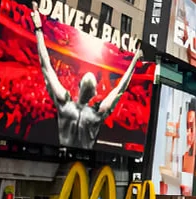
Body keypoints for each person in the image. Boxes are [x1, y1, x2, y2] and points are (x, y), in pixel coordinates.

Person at [33, 11, 142, 149]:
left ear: (79, 86)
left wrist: (38, 29)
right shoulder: (96, 114)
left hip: (63, 150)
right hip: (83, 154)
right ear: (94, 93)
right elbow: (121, 88)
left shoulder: (65, 103)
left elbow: (46, 65)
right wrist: (135, 59)